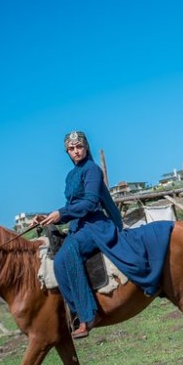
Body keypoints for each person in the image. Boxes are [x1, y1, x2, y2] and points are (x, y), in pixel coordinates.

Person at [35, 131, 148, 338]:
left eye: (79, 147)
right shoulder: (70, 176)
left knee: (67, 254)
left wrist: (62, 213)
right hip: (79, 225)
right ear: (67, 152)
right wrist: (48, 217)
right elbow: (71, 206)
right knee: (58, 261)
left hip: (95, 224)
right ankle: (74, 313)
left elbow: (89, 203)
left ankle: (89, 315)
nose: (76, 151)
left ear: (86, 147)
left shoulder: (93, 170)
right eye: (71, 149)